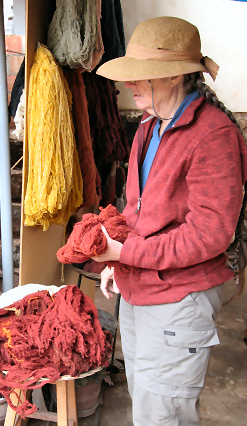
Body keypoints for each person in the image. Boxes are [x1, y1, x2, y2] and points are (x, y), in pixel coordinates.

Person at [92, 17, 247, 425]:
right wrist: (118, 262)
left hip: (180, 298)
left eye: (142, 75)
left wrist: (129, 251)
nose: (131, 83)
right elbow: (136, 209)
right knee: (146, 404)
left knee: (166, 414)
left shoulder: (214, 135)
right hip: (141, 286)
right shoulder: (149, 126)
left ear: (176, 74)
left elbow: (211, 233)